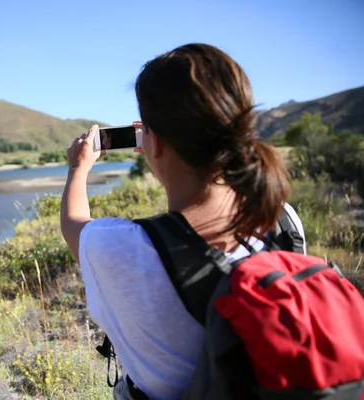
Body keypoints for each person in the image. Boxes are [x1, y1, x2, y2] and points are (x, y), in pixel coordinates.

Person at [59, 43, 307, 400]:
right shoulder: (282, 219)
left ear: (153, 141)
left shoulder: (123, 248)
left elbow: (73, 223)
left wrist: (77, 169)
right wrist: (161, 152)